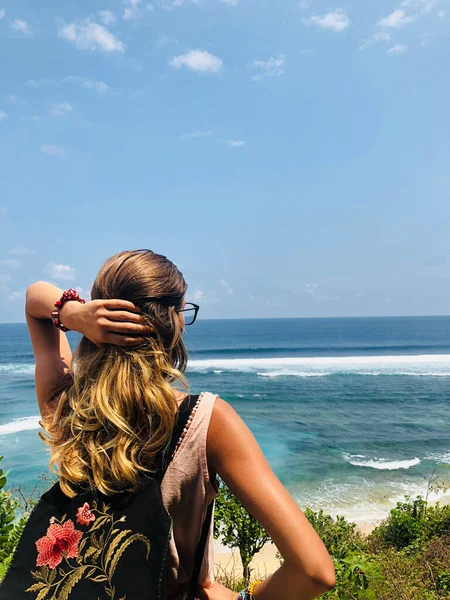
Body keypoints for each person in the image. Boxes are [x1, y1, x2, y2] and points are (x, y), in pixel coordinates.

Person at [25, 249, 335, 600]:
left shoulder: (67, 406)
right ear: (170, 321)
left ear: (99, 313)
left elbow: (35, 299)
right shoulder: (206, 420)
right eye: (184, 311)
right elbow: (315, 573)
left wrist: (73, 312)